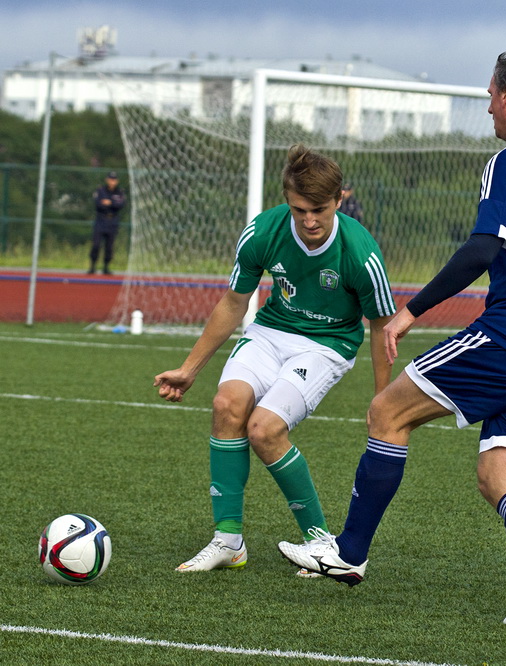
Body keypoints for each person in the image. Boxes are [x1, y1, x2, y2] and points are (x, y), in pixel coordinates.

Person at [278, 48, 506, 626]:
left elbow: (486, 248)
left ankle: (348, 554)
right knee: (498, 477)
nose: (487, 105)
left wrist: (412, 311)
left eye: (489, 93)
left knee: (387, 411)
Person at [153, 144, 396, 576]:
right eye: (299, 209)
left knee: (264, 429)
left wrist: (383, 401)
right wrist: (189, 369)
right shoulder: (263, 232)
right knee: (226, 405)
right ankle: (228, 541)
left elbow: (381, 326)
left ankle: (321, 543)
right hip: (269, 333)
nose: (309, 220)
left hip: (327, 345)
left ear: (340, 199)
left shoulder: (360, 251)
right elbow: (233, 302)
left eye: (319, 209)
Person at [89, 171, 126, 275]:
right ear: (107, 179)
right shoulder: (101, 190)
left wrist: (110, 202)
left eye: (114, 180)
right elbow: (98, 204)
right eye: (110, 179)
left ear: (117, 181)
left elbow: (121, 204)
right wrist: (111, 204)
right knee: (96, 244)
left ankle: (106, 267)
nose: (112, 182)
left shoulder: (120, 192)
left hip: (112, 221)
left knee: (109, 246)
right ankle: (92, 266)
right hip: (101, 220)